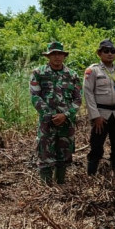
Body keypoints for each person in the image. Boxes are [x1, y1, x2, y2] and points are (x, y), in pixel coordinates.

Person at [29, 41, 82, 184]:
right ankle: (46, 188)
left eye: (60, 54)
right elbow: (35, 96)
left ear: (64, 56)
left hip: (66, 122)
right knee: (45, 155)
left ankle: (61, 185)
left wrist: (66, 115)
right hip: (47, 122)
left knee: (64, 156)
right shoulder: (38, 73)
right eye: (54, 54)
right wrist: (50, 115)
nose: (57, 57)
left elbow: (78, 99)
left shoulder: (72, 75)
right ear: (48, 56)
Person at [83, 39, 115, 175]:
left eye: (112, 51)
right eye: (106, 51)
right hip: (101, 114)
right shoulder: (92, 71)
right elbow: (88, 94)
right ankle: (91, 174)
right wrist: (95, 116)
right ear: (99, 53)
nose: (110, 54)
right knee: (96, 146)